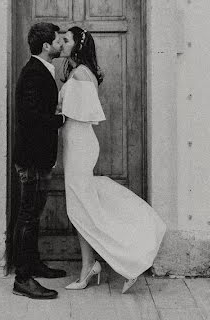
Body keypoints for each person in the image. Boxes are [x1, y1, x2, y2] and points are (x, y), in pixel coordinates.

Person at [58, 26, 166, 293]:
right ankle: (90, 265)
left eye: (67, 40)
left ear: (78, 46)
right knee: (80, 208)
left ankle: (124, 260)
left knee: (82, 208)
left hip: (80, 143)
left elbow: (83, 113)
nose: (63, 43)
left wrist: (57, 108)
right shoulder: (78, 72)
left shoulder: (81, 74)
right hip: (76, 142)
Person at [11, 22, 69, 299]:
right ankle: (22, 279)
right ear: (46, 46)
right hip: (32, 159)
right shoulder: (33, 74)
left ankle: (33, 264)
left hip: (40, 158)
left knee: (33, 216)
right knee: (28, 216)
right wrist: (62, 118)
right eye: (58, 41)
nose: (60, 44)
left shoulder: (43, 70)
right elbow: (32, 118)